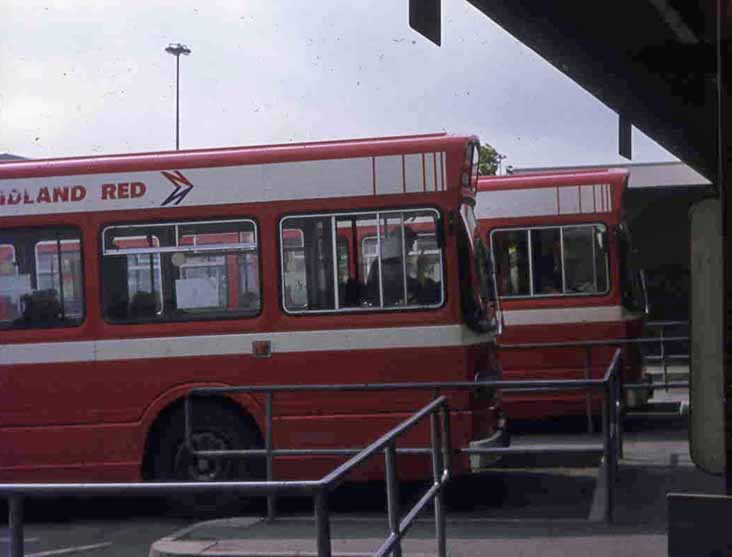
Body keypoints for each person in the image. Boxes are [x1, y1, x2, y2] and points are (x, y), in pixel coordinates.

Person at [366, 226, 419, 306]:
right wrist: (416, 284)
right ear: (401, 243)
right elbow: (395, 284)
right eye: (410, 244)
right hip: (386, 308)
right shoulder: (388, 262)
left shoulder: (387, 259)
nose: (410, 249)